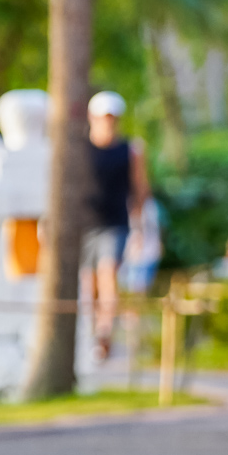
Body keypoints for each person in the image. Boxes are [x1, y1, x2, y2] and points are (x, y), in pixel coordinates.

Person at [81, 91, 150, 361]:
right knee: (89, 283)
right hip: (85, 225)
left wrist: (140, 227)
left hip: (115, 223)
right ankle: (90, 331)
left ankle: (104, 333)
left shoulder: (130, 150)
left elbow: (140, 188)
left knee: (108, 273)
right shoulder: (80, 149)